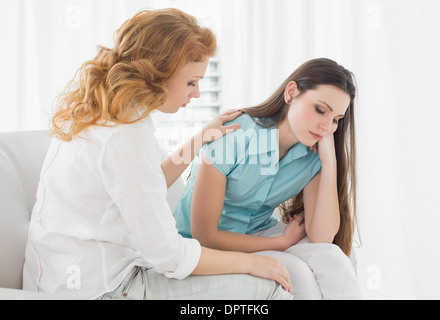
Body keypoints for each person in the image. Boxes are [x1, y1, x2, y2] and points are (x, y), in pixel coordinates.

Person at [22, 8, 293, 300]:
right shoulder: (124, 136)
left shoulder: (103, 114)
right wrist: (252, 262)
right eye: (191, 82)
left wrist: (199, 140)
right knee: (272, 287)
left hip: (65, 277)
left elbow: (140, 189)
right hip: (101, 289)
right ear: (158, 72)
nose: (197, 94)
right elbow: (170, 255)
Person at [173, 58, 363, 300]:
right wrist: (282, 242)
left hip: (257, 233)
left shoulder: (312, 155)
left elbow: (322, 239)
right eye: (320, 110)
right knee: (296, 275)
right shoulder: (233, 135)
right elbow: (205, 236)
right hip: (203, 245)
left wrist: (330, 162)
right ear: (291, 93)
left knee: (336, 260)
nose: (327, 126)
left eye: (336, 119)